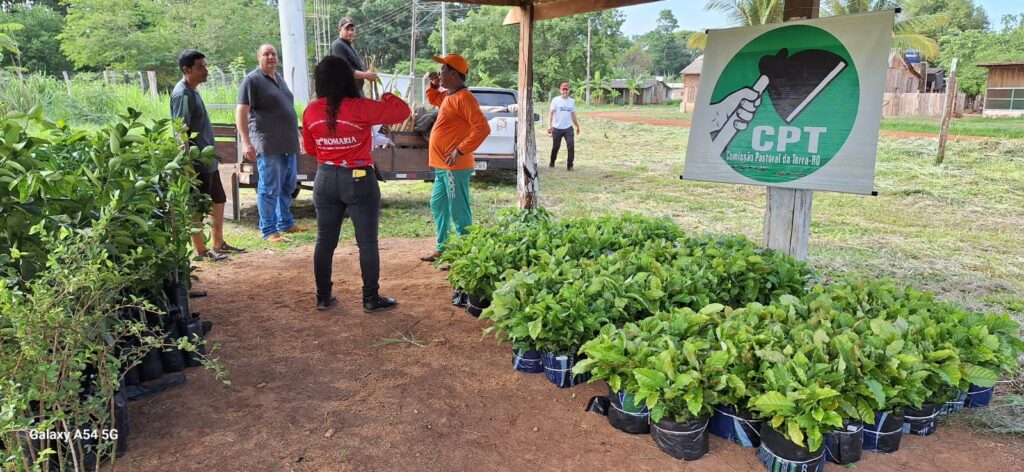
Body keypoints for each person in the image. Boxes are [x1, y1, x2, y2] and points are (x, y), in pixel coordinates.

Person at [302, 56, 410, 312]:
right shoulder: (360, 107)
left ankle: (323, 296)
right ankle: (370, 298)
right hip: (359, 179)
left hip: (325, 178)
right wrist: (387, 97)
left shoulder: (311, 110)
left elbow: (310, 149)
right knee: (367, 243)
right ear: (348, 79)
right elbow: (402, 112)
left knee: (324, 241)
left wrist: (332, 150)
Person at [170, 49, 245, 261]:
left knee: (218, 199)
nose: (206, 70)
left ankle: (219, 243)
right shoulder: (182, 94)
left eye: (205, 65)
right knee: (198, 206)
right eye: (200, 67)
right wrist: (187, 164)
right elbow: (179, 130)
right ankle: (201, 250)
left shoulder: (193, 90)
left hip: (207, 159)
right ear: (187, 70)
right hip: (196, 161)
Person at [419, 53, 490, 263]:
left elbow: (482, 128)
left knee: (458, 209)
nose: (439, 74)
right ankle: (443, 247)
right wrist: (433, 85)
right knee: (438, 204)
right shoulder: (450, 95)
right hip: (443, 166)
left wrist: (460, 150)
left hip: (454, 166)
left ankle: (465, 254)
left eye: (442, 70)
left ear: (453, 73)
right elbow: (434, 98)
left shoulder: (465, 98)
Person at [235, 44, 305, 243]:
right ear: (258, 57)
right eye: (266, 54)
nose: (271, 57)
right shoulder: (252, 80)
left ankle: (286, 223)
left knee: (288, 185)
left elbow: (287, 110)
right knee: (269, 188)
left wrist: (298, 135)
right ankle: (268, 230)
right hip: (268, 143)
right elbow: (241, 112)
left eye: (273, 54)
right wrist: (246, 142)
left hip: (288, 143)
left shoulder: (279, 79)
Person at [331, 17, 377, 96]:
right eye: (347, 29)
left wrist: (367, 72)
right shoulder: (338, 45)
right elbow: (344, 70)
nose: (350, 32)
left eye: (352, 29)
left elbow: (357, 64)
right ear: (339, 30)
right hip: (346, 93)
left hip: (356, 91)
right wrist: (365, 75)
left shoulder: (349, 45)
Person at [548, 82, 581, 170]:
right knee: (555, 147)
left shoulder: (572, 101)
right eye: (563, 89)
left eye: (566, 90)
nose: (565, 91)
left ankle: (570, 165)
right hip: (557, 128)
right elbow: (551, 113)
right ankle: (552, 162)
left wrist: (577, 125)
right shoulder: (555, 100)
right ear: (560, 90)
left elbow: (573, 114)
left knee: (571, 146)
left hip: (568, 128)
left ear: (569, 90)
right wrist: (549, 126)